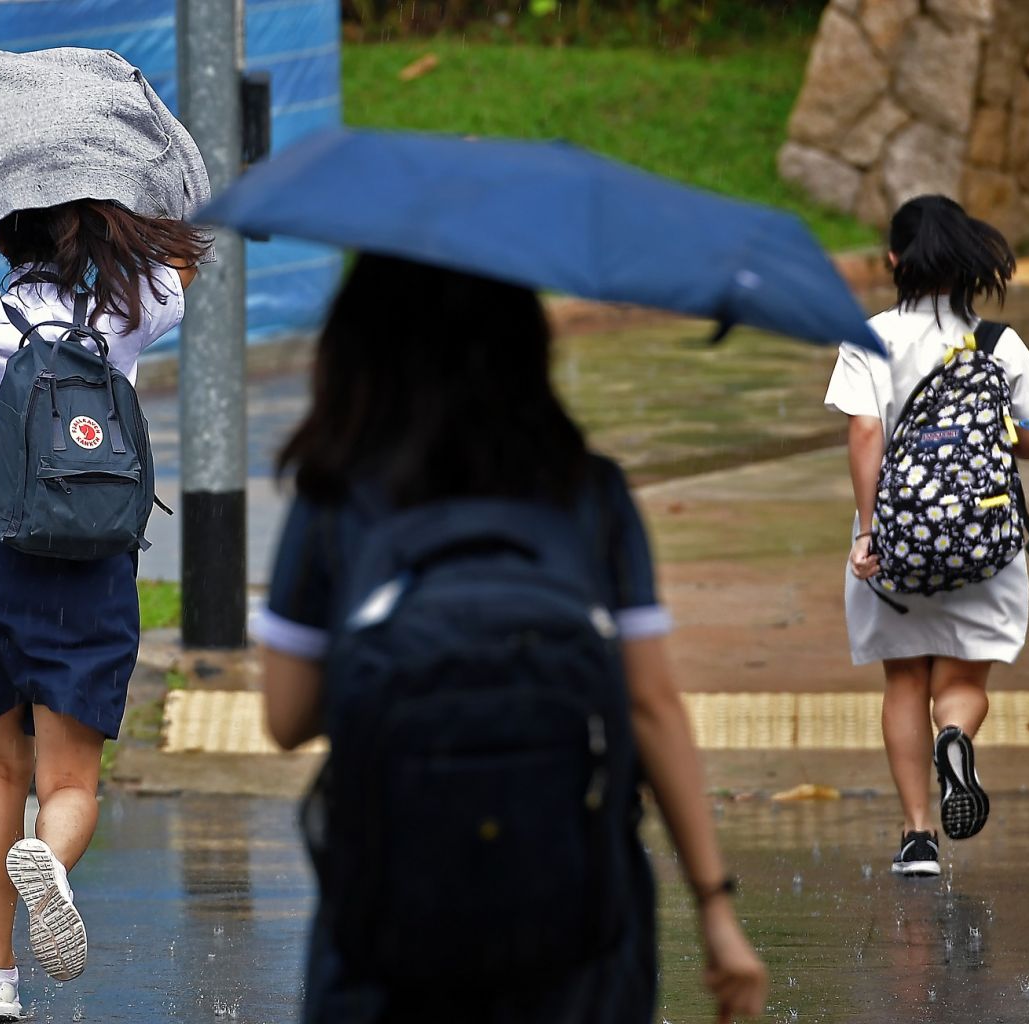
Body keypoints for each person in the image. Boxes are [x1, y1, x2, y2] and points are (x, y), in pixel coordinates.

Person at [254, 254, 767, 1024]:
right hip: (575, 925)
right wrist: (714, 909)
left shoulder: (335, 495)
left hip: (390, 923)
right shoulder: (587, 491)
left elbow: (287, 718)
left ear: (363, 344)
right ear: (525, 343)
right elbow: (650, 706)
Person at [0, 199, 206, 1020]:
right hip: (91, 561)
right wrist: (133, 219)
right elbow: (184, 261)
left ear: (5, 236)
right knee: (71, 778)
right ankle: (48, 856)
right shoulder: (127, 311)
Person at [824, 194, 1029, 877]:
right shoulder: (996, 342)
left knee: (903, 679)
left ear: (893, 260)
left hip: (897, 544)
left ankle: (917, 837)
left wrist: (870, 534)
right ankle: (953, 735)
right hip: (981, 542)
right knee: (958, 677)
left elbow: (865, 430)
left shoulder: (866, 336)